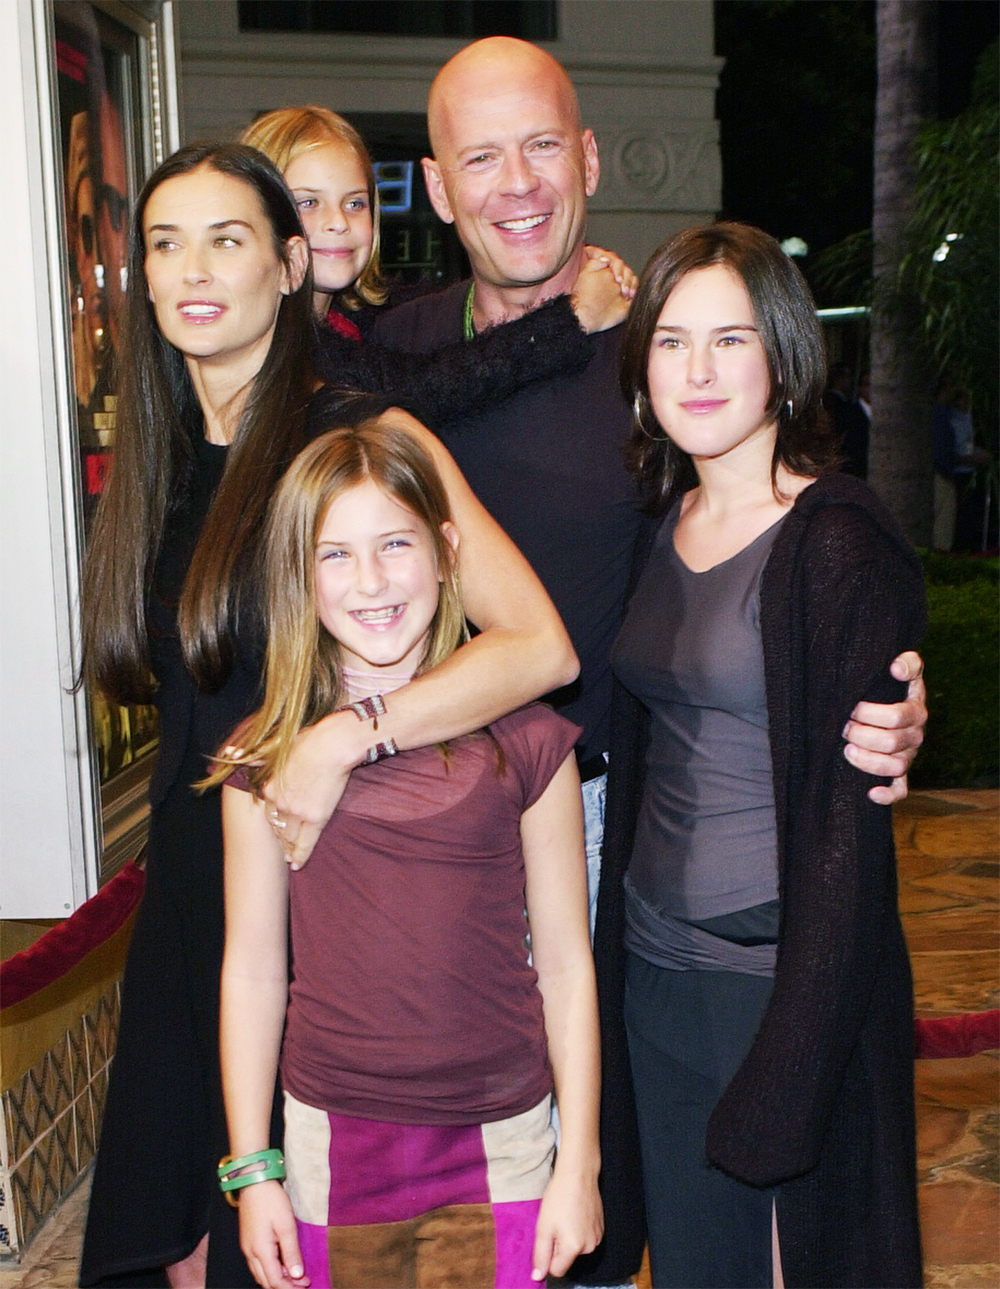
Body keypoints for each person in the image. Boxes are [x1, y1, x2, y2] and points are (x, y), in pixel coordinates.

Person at [255, 41, 923, 1281]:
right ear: (438, 191)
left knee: (611, 1165)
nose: (517, 182)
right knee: (450, 1161)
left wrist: (875, 691)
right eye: (479, 156)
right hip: (406, 826)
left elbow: (768, 570)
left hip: (611, 822)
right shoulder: (385, 362)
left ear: (590, 159)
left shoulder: (646, 361)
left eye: (543, 145)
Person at [78, 141, 582, 1288]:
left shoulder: (356, 435)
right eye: (165, 242)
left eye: (229, 238)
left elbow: (537, 645)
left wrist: (346, 734)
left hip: (325, 903)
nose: (193, 268)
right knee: (179, 1241)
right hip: (197, 899)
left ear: (292, 264)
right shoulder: (156, 455)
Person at [597, 222, 925, 1288]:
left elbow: (847, 831)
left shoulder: (836, 538)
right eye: (671, 340)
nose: (696, 369)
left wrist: (793, 1057)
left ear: (784, 359)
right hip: (653, 970)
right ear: (642, 369)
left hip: (779, 985)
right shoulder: (661, 520)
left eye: (729, 340)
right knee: (695, 1269)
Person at [215, 415, 602, 1289]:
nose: (373, 582)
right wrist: (253, 1167)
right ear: (300, 577)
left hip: (505, 1135)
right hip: (330, 1137)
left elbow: (569, 967)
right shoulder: (261, 762)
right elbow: (251, 970)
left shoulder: (533, 743)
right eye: (336, 555)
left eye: (396, 543)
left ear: (447, 551)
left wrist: (578, 1159)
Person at [239, 103, 636, 415]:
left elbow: (445, 295)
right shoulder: (277, 337)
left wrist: (582, 263)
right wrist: (574, 316)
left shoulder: (350, 314)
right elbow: (425, 388)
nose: (338, 222)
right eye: (308, 202)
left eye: (355, 203)